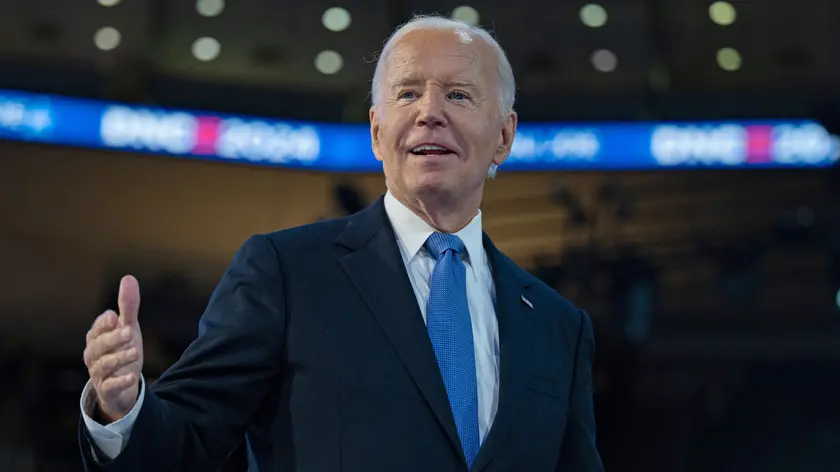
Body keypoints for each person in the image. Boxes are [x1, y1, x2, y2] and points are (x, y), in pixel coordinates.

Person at [79, 14, 603, 472]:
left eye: (459, 94)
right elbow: (186, 439)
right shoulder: (286, 271)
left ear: (504, 137)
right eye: (407, 93)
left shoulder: (558, 326)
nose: (429, 112)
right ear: (377, 132)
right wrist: (123, 409)